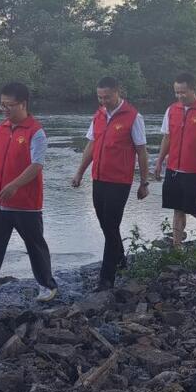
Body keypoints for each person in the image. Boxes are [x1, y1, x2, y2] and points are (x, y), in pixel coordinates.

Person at [0, 82, 59, 314]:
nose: (4, 109)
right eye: (1, 105)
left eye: (9, 105)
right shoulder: (1, 129)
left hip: (25, 203)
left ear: (23, 104)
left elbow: (37, 165)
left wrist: (14, 185)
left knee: (34, 245)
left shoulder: (36, 132)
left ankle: (47, 285)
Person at [71, 77, 150, 291]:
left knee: (111, 225)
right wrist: (79, 172)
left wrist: (144, 182)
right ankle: (121, 261)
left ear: (117, 92)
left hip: (120, 181)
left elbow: (142, 152)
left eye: (107, 97)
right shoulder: (98, 115)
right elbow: (91, 146)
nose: (103, 101)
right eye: (100, 97)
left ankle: (106, 279)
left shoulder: (134, 117)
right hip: (99, 178)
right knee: (105, 224)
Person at [154, 72, 196, 250]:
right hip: (173, 167)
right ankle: (177, 245)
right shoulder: (171, 110)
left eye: (183, 92)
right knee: (177, 207)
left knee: (192, 205)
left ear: (193, 90)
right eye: (177, 92)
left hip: (195, 168)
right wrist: (159, 161)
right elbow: (167, 138)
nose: (180, 96)